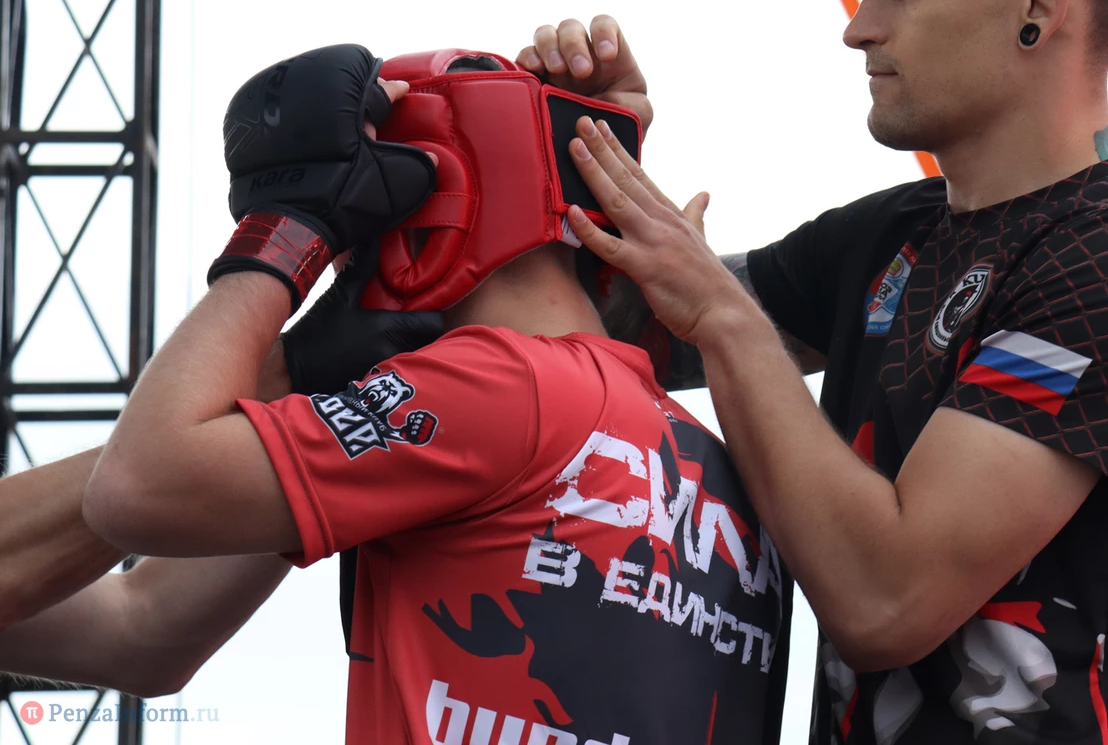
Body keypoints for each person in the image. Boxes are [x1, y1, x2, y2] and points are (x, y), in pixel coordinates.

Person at [518, 0, 1108, 744]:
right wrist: (579, 149)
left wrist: (727, 320)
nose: (858, 28)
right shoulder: (890, 237)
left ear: (1040, 2)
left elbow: (883, 597)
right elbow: (603, 333)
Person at [1, 45, 789, 745]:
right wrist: (301, 372)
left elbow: (137, 489)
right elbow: (145, 629)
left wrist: (283, 234)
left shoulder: (496, 388)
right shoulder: (717, 467)